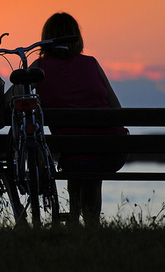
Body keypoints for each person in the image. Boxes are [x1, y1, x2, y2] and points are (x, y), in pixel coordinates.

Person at [30, 12, 128, 227]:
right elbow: (117, 109)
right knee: (89, 161)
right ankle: (90, 225)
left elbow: (11, 98)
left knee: (77, 155)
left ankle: (76, 221)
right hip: (111, 150)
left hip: (73, 153)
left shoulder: (39, 68)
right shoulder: (91, 63)